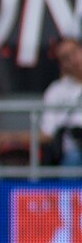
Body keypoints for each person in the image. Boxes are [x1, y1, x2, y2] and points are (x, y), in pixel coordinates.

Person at [41, 38, 82, 166]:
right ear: (61, 65)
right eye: (65, 57)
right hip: (73, 153)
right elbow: (47, 133)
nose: (73, 60)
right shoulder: (55, 91)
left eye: (74, 52)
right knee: (73, 158)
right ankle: (68, 188)